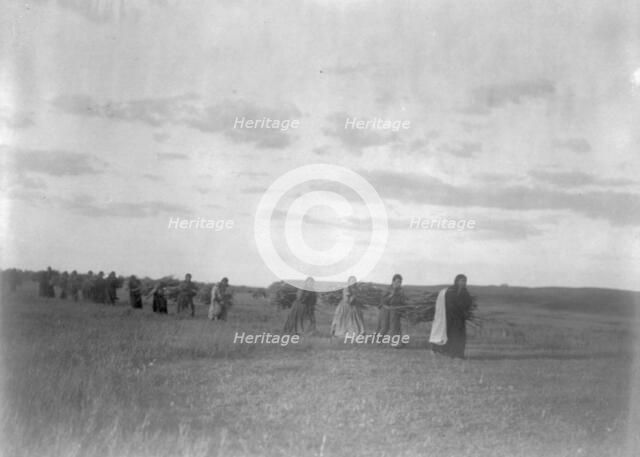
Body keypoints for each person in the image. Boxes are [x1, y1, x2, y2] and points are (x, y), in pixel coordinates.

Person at [431, 274, 473, 359]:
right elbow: (448, 304)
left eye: (465, 281)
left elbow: (468, 303)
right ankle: (449, 353)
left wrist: (464, 310)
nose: (463, 283)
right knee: (450, 336)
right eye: (461, 281)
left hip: (460, 319)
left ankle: (459, 354)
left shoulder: (465, 292)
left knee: (460, 336)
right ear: (457, 281)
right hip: (450, 318)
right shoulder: (450, 291)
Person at [376, 274, 405, 346]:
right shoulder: (388, 289)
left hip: (394, 310)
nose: (398, 284)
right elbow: (383, 300)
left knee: (395, 326)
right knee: (385, 327)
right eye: (397, 282)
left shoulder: (401, 291)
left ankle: (396, 342)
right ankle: (378, 339)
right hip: (385, 309)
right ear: (393, 281)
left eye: (400, 282)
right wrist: (391, 295)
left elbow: (401, 301)